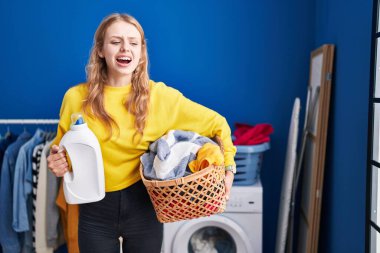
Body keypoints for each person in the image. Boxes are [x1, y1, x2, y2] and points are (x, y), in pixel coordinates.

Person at [47, 13, 237, 253]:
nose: (125, 48)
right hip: (93, 211)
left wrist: (229, 169)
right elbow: (61, 154)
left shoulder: (160, 97)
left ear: (141, 52)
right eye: (115, 42)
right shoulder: (75, 98)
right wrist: (57, 162)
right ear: (100, 50)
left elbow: (217, 124)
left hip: (143, 209)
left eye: (133, 42)